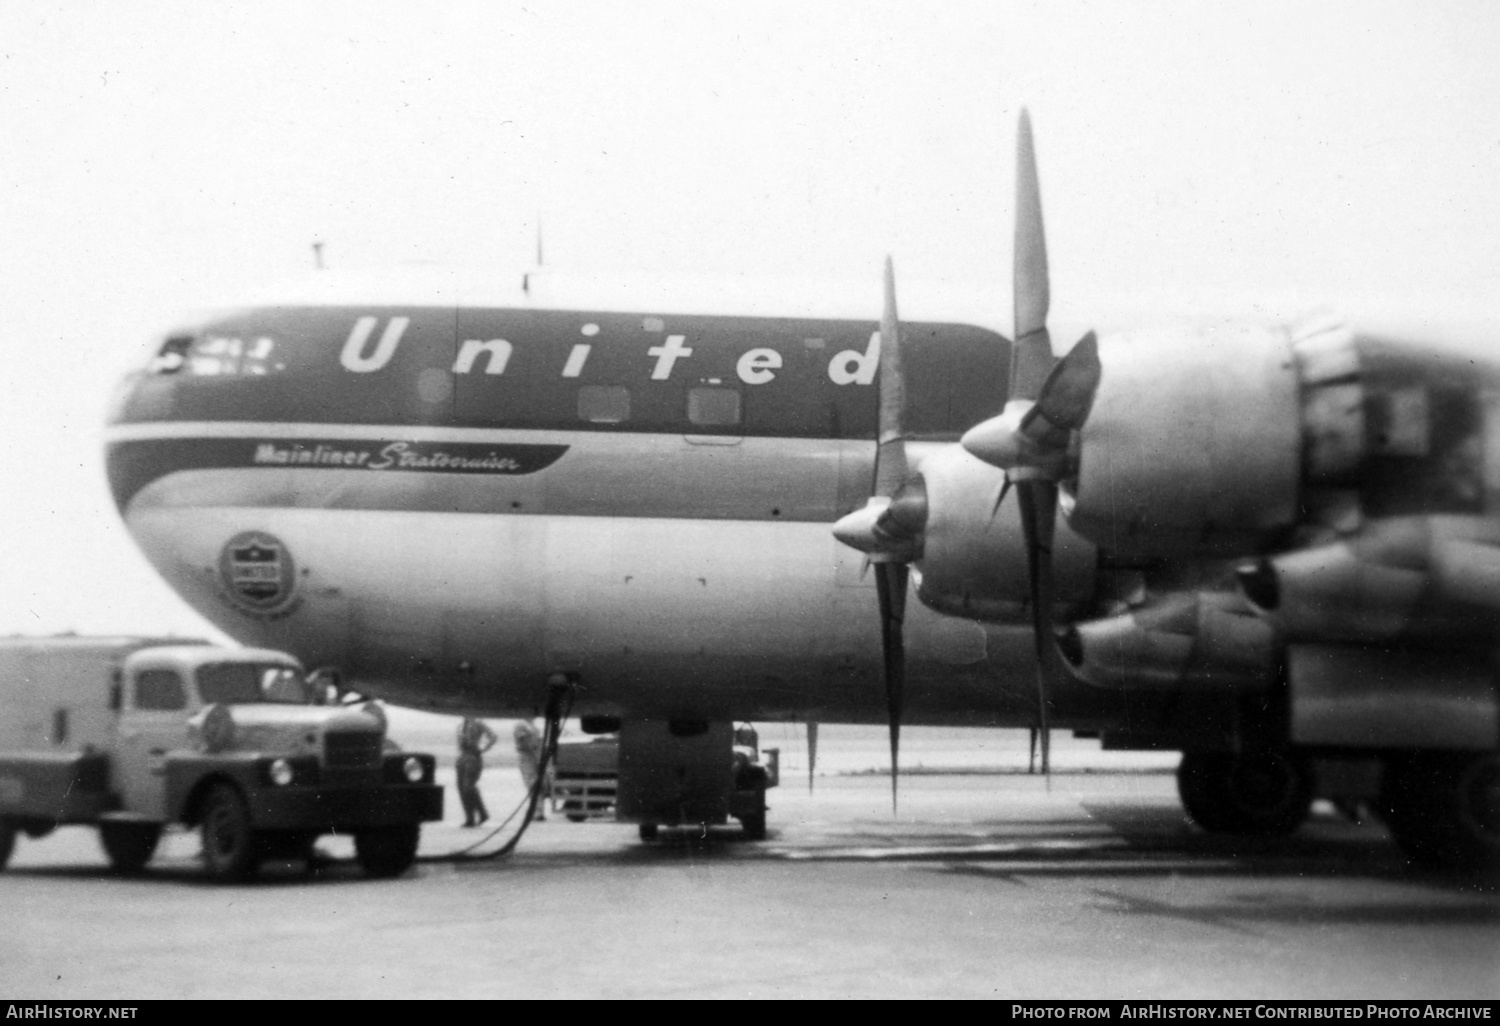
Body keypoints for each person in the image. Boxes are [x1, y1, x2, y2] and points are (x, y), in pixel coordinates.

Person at [455, 716, 497, 827]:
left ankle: (481, 813)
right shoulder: (460, 725)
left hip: (473, 756)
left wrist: (483, 748)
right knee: (461, 788)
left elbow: (493, 736)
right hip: (463, 756)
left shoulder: (478, 723)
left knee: (468, 786)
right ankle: (470, 818)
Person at [513, 719, 550, 821]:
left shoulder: (526, 726)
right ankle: (538, 811)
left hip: (532, 757)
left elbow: (527, 741)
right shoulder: (525, 726)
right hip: (530, 756)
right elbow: (523, 740)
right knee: (534, 785)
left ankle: (538, 812)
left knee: (535, 785)